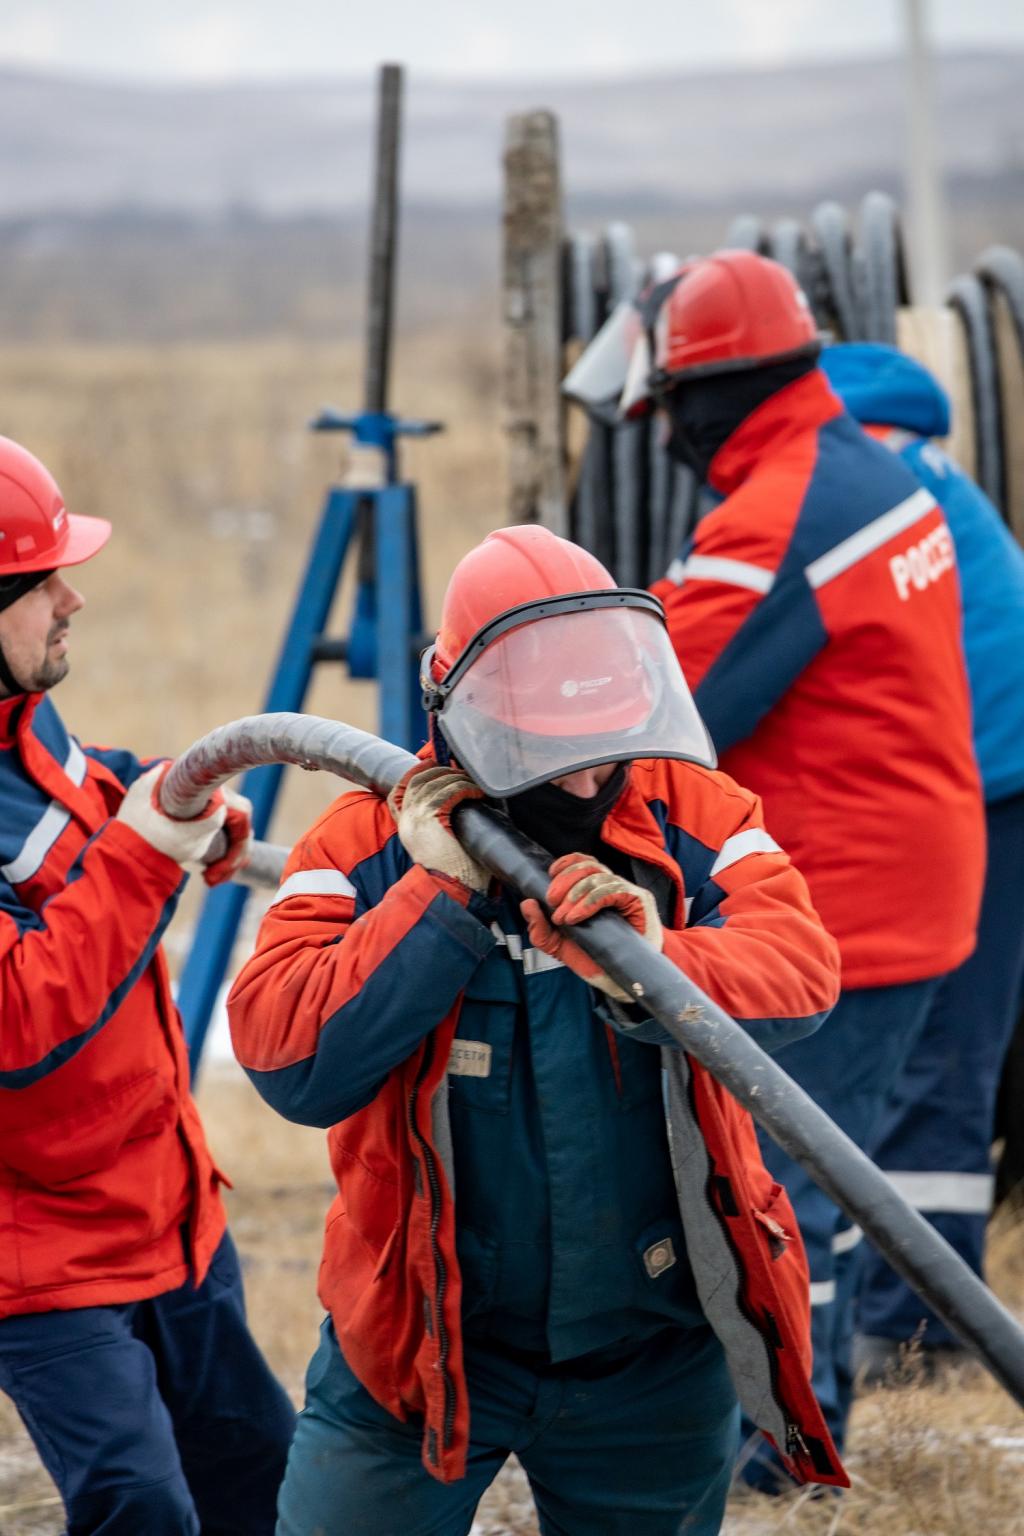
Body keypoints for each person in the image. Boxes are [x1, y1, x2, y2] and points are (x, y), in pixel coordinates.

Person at [227, 522, 846, 1536]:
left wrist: (657, 965)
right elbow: (288, 1057)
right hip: (414, 1347)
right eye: (544, 750)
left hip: (649, 1356)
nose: (579, 781)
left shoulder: (699, 815)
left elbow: (803, 972)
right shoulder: (366, 841)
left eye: (602, 749)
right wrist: (433, 901)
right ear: (459, 710)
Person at [578, 250, 985, 1482]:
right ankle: (798, 1427)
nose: (662, 438)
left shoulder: (776, 518)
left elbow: (652, 705)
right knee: (822, 1168)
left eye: (666, 413)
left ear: (710, 395)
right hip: (905, 865)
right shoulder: (861, 464)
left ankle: (781, 1462)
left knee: (784, 1183)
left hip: (849, 898)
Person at [0, 435, 295, 1535]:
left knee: (261, 1480)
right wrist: (140, 854)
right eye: (37, 584)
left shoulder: (19, 719)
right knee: (143, 1513)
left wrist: (163, 797)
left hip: (167, 1211)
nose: (71, 598)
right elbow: (19, 1014)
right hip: (43, 1256)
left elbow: (75, 803)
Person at [820, 341, 1024, 1379]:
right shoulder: (924, 470)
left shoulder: (856, 484)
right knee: (941, 1056)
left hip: (983, 790)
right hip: (990, 778)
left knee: (936, 1057)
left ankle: (917, 1336)